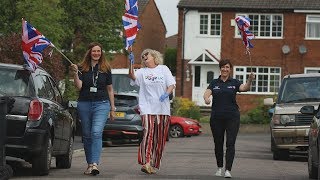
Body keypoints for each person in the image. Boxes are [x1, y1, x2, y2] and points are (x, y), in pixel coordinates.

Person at [203, 59, 255, 178]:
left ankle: (228, 170)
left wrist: (250, 80)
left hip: (232, 117)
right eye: (223, 67)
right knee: (218, 143)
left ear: (230, 69)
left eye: (227, 67)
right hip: (216, 118)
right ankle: (219, 168)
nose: (225, 69)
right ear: (220, 68)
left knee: (230, 143)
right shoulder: (214, 82)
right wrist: (206, 99)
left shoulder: (234, 82)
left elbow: (244, 88)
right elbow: (207, 93)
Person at [70, 42, 115, 176]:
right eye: (94, 51)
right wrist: (75, 74)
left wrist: (112, 108)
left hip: (101, 103)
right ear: (89, 52)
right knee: (87, 135)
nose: (96, 53)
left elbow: (110, 89)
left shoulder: (106, 68)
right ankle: (90, 164)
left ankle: (95, 163)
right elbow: (79, 86)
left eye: (98, 51)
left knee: (96, 132)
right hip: (84, 103)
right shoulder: (81, 67)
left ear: (101, 53)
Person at [128, 49, 176, 174]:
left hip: (162, 109)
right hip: (147, 107)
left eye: (146, 55)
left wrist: (166, 94)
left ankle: (154, 164)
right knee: (148, 132)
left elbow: (171, 84)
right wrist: (131, 63)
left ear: (154, 56)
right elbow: (132, 77)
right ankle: (146, 162)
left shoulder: (163, 69)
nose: (144, 57)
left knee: (159, 138)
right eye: (142, 56)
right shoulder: (142, 71)